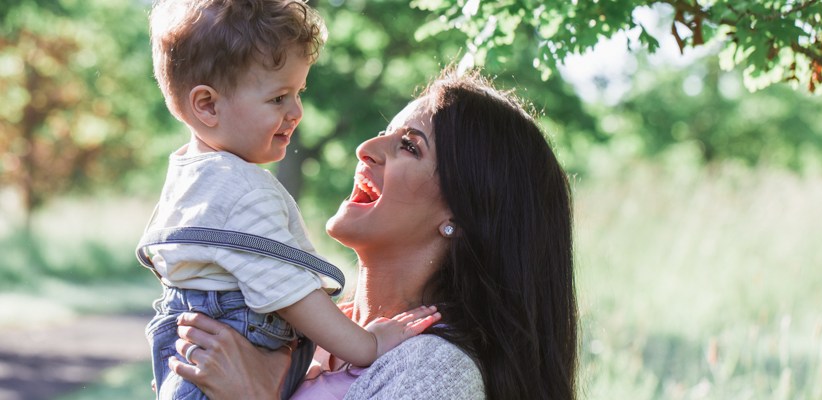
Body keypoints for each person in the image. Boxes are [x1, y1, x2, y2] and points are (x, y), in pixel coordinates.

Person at [168, 70, 578, 400]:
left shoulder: (437, 370)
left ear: (464, 212)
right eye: (386, 131)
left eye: (409, 146)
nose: (366, 147)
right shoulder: (310, 328)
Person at [138, 1, 439, 399]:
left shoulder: (189, 174)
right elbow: (292, 292)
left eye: (298, 93)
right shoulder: (242, 190)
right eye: (278, 98)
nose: (296, 112)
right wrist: (369, 345)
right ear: (207, 105)